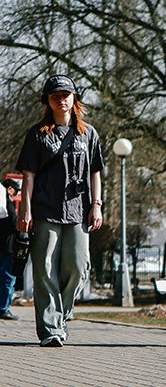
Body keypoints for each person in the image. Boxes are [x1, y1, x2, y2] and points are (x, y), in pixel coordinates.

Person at [15, 76, 105, 346]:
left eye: (66, 94)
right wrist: (25, 210)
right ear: (48, 101)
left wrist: (97, 205)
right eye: (55, 95)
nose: (61, 99)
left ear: (74, 98)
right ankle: (51, 329)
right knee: (44, 269)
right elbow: (28, 175)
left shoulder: (88, 133)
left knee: (78, 266)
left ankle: (62, 314)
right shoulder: (37, 133)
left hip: (78, 210)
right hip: (45, 209)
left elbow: (95, 172)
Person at [0, 178, 19, 320]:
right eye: (15, 191)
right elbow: (13, 222)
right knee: (8, 278)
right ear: (9, 189)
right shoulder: (6, 202)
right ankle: (3, 308)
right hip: (8, 245)